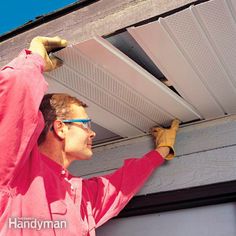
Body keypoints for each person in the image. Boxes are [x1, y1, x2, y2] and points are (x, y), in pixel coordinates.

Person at [0, 36, 179, 235]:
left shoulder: (81, 197)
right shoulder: (14, 172)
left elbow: (122, 184)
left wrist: (161, 151)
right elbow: (16, 91)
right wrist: (35, 57)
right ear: (60, 128)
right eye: (86, 124)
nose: (92, 132)